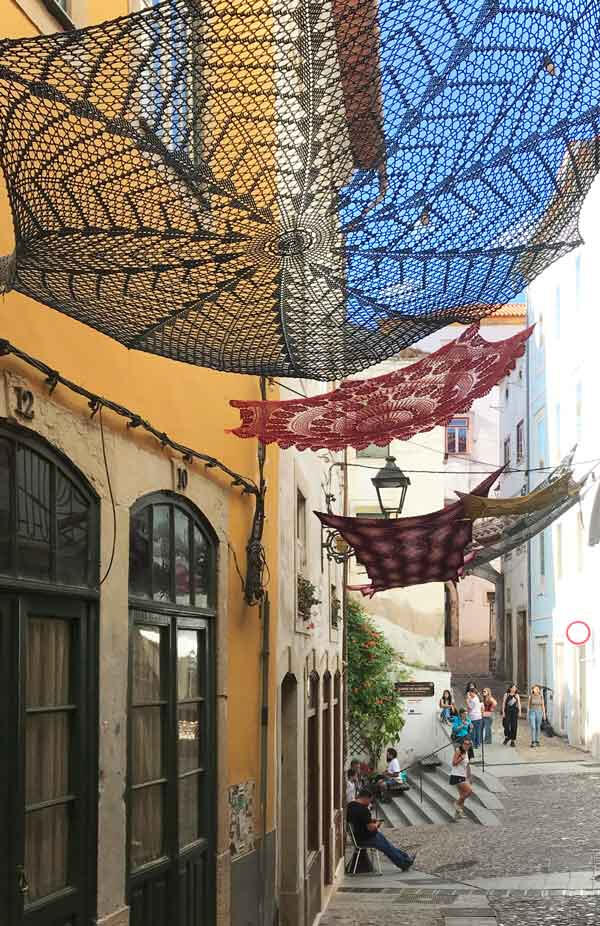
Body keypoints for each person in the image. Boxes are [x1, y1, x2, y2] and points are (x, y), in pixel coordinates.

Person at [347, 787, 416, 871]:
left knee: (388, 845)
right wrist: (377, 824)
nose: (370, 803)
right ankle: (403, 863)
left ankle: (405, 858)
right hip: (365, 838)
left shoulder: (351, 805)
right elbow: (371, 828)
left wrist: (371, 820)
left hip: (358, 836)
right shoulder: (363, 810)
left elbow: (360, 820)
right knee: (387, 847)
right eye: (370, 800)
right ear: (366, 798)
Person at [450, 737, 473, 820]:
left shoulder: (467, 752)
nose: (466, 745)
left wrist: (469, 776)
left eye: (468, 744)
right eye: (465, 743)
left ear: (470, 745)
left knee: (462, 795)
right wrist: (461, 758)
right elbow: (454, 763)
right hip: (456, 775)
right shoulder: (458, 750)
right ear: (462, 744)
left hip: (462, 776)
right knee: (469, 791)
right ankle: (456, 804)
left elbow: (467, 765)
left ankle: (457, 814)